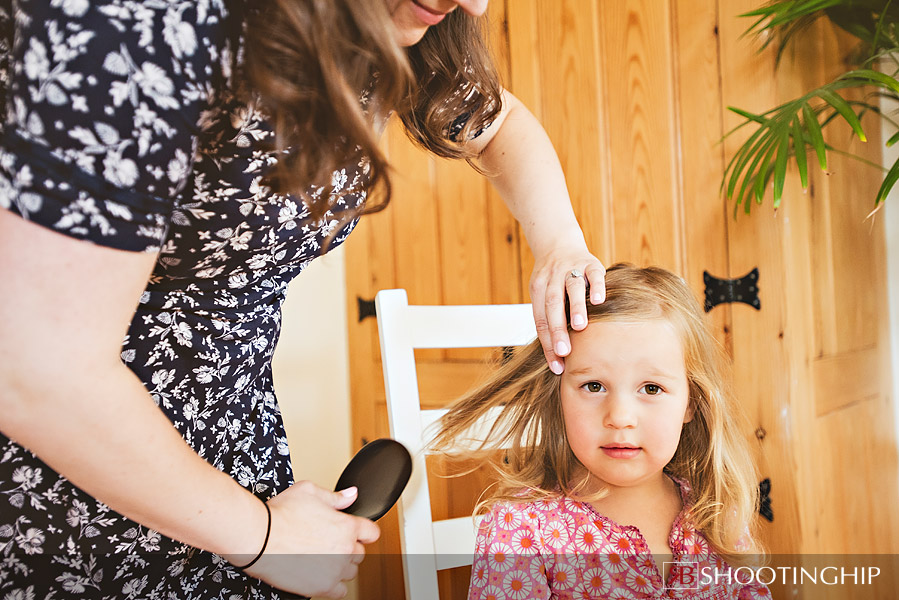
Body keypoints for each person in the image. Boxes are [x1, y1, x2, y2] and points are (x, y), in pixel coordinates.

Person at [0, 0, 604, 598]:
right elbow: (37, 372)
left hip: (236, 454)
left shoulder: (384, 30)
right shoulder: (140, 18)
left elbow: (498, 123)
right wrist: (261, 536)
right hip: (76, 474)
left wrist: (559, 243)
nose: (470, 4)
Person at [431, 264, 771, 599]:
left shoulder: (716, 514)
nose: (620, 417)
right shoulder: (520, 533)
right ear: (559, 395)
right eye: (593, 385)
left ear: (691, 404)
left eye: (651, 389)